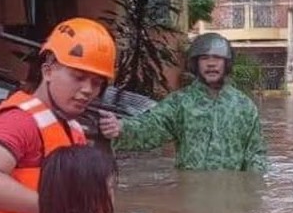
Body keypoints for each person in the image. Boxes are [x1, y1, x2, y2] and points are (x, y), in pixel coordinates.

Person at [0, 18, 121, 213]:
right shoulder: (17, 122)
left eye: (96, 83)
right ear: (48, 71)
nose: (87, 90)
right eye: (78, 77)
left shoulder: (73, 128)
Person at [111, 33, 267, 172]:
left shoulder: (244, 106)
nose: (211, 63)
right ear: (196, 63)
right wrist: (120, 128)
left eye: (217, 58)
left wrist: (251, 195)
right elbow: (150, 127)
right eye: (205, 58)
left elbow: (255, 155)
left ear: (227, 63)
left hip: (231, 196)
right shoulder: (180, 102)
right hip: (190, 194)